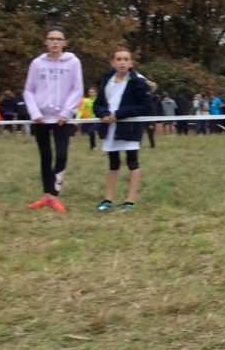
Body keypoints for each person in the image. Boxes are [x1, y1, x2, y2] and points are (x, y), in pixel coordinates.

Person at [24, 26, 84, 212]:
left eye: (59, 39)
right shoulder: (37, 63)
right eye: (51, 39)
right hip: (41, 119)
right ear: (45, 42)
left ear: (65, 43)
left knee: (61, 154)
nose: (55, 42)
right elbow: (28, 90)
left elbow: (77, 89)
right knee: (45, 156)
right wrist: (35, 113)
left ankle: (54, 194)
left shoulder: (73, 62)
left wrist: (66, 112)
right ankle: (46, 196)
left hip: (62, 119)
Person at [93, 49, 153, 212]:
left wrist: (120, 114)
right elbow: (98, 104)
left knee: (132, 161)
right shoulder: (106, 78)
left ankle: (130, 201)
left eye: (126, 59)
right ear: (113, 62)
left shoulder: (138, 81)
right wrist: (104, 114)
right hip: (111, 129)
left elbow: (146, 106)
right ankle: (108, 200)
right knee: (113, 162)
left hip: (129, 127)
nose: (122, 62)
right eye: (119, 59)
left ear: (131, 63)